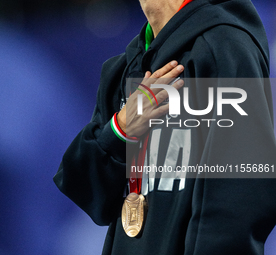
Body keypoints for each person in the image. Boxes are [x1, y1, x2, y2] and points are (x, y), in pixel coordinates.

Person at [54, 0, 276, 254]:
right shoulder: (126, 67)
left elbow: (240, 195)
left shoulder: (224, 47)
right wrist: (120, 128)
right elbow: (89, 192)